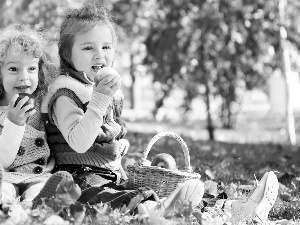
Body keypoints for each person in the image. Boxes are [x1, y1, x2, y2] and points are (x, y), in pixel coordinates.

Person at [33, 2, 205, 217]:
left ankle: (163, 206)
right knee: (100, 196)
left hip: (109, 173)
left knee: (124, 189)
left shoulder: (103, 89)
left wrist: (119, 168)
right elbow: (79, 142)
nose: (99, 55)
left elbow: (110, 141)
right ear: (67, 55)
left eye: (106, 47)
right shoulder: (65, 94)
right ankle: (155, 211)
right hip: (77, 175)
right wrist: (100, 99)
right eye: (88, 48)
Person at [0, 24, 58, 202]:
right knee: (4, 194)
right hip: (6, 176)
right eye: (13, 69)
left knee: (40, 197)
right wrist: (13, 124)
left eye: (31, 68)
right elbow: (3, 161)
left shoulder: (43, 104)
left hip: (38, 177)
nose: (24, 77)